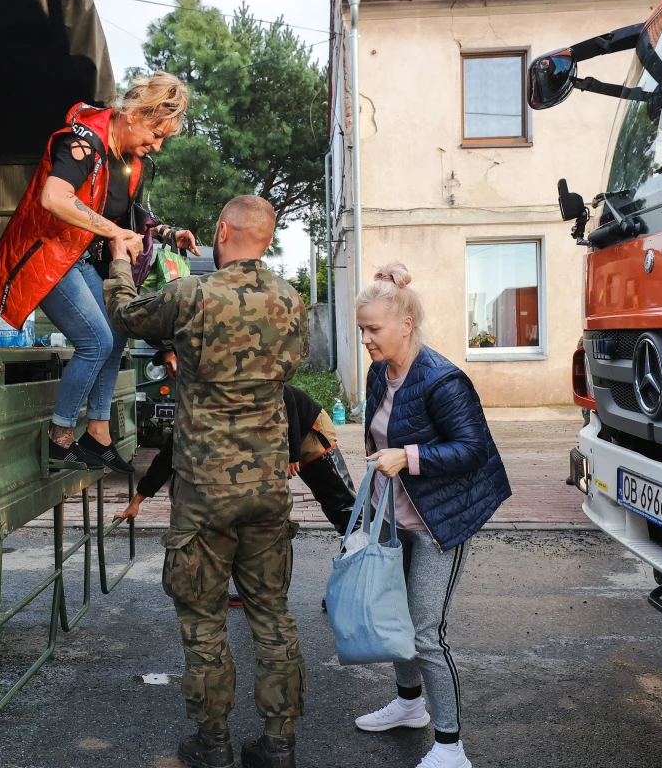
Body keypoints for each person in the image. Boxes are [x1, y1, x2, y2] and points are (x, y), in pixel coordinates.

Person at [104, 196, 307, 768]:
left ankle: (213, 743)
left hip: (203, 491)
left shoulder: (191, 295)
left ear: (222, 231)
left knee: (203, 619)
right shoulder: (291, 300)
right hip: (267, 487)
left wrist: (120, 258)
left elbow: (125, 314)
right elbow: (289, 372)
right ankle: (279, 745)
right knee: (272, 616)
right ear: (266, 238)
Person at [0, 71, 200, 473]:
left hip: (77, 257)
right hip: (45, 255)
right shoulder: (83, 141)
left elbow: (128, 215)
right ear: (134, 115)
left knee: (117, 331)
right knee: (96, 341)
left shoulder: (129, 161)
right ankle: (60, 438)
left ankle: (98, 434)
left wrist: (169, 234)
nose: (157, 146)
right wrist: (113, 233)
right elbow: (55, 197)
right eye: (156, 134)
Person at [352, 262, 511, 768]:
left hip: (439, 521)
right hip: (393, 517)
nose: (366, 340)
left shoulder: (443, 381)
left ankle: (450, 747)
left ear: (405, 325)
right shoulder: (380, 373)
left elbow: (474, 449)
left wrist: (409, 457)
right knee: (394, 618)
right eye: (362, 330)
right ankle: (408, 705)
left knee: (424, 633)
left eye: (374, 330)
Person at [117, 383, 356, 535]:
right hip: (270, 443)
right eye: (168, 366)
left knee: (339, 501)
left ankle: (363, 566)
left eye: (175, 362)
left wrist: (292, 454)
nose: (173, 370)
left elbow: (286, 397)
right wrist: (137, 500)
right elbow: (169, 453)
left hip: (305, 429)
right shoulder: (195, 401)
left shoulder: (231, 372)